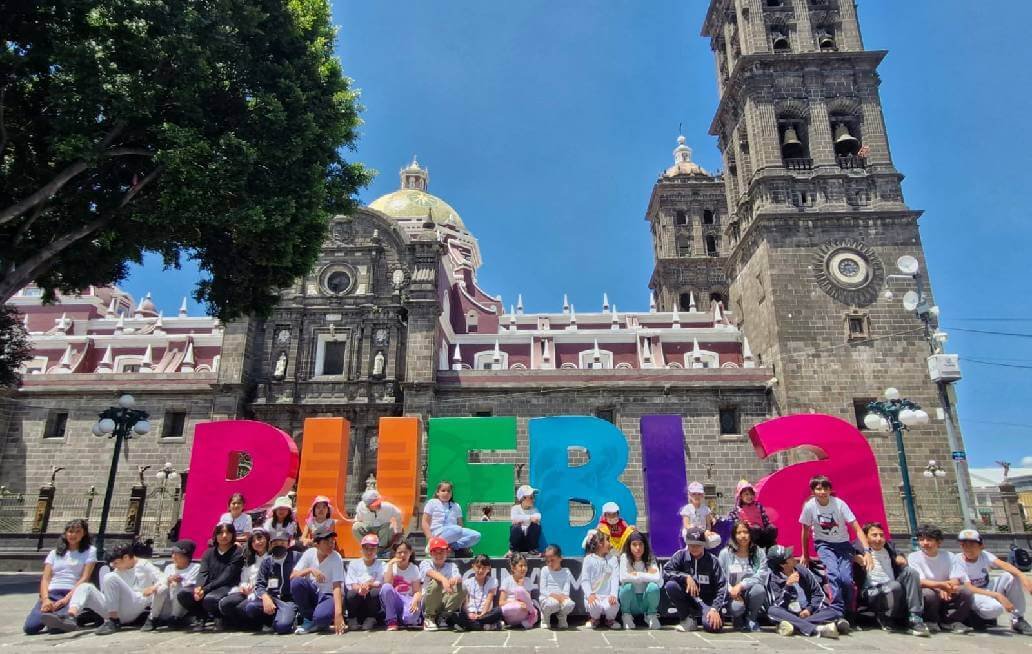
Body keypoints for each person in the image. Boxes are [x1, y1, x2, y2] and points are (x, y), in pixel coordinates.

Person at [44, 542, 161, 635]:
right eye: (112, 564)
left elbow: (164, 578)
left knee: (109, 577)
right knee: (86, 586)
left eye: (116, 563)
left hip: (134, 604)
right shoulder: (117, 570)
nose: (114, 566)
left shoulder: (144, 565)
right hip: (113, 608)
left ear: (126, 557)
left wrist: (153, 587)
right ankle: (71, 616)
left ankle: (114, 622)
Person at [798, 474, 871, 620]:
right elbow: (805, 532)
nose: (822, 492)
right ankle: (838, 610)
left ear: (830, 490)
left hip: (843, 545)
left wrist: (867, 551)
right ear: (813, 491)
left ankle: (849, 609)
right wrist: (805, 554)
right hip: (824, 544)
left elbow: (856, 527)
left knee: (846, 579)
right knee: (834, 575)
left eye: (825, 488)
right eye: (818, 489)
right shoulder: (810, 506)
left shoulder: (839, 504)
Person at [851, 522, 929, 637]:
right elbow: (844, 553)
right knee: (894, 586)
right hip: (871, 591)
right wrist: (854, 557)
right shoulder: (858, 548)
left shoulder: (889, 547)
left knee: (911, 573)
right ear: (866, 537)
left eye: (881, 535)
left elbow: (899, 555)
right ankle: (886, 617)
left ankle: (915, 617)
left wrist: (901, 557)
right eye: (874, 535)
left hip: (892, 586)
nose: (879, 539)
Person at [24, 519, 97, 635]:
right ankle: (55, 615)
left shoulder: (90, 551)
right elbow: (45, 579)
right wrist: (45, 599)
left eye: (78, 532)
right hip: (52, 593)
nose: (73, 535)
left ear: (84, 534)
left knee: (56, 629)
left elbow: (85, 578)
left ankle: (76, 615)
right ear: (65, 533)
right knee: (30, 628)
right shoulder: (54, 553)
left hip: (72, 593)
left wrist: (65, 599)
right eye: (70, 531)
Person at [757, 545, 845, 638]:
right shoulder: (773, 579)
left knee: (834, 611)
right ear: (783, 564)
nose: (794, 557)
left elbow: (818, 594)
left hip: (808, 612)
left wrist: (809, 609)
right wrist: (788, 586)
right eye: (790, 557)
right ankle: (816, 629)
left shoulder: (802, 570)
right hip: (788, 614)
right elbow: (778, 605)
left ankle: (795, 626)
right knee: (772, 611)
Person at [956, 528, 1032, 635]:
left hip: (986, 588)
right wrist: (997, 595)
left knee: (1010, 577)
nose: (968, 548)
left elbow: (1004, 565)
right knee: (995, 609)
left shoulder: (984, 555)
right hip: (973, 594)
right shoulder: (957, 560)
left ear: (981, 546)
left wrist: (1022, 576)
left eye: (972, 544)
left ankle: (1018, 619)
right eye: (964, 545)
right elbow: (969, 588)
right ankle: (975, 615)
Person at [906, 524, 974, 633]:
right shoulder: (913, 557)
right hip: (929, 590)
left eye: (929, 540)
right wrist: (940, 586)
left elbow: (955, 579)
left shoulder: (949, 556)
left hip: (947, 590)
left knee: (966, 592)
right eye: (921, 539)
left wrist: (945, 587)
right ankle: (931, 621)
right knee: (928, 594)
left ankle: (951, 622)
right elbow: (920, 581)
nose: (925, 543)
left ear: (939, 542)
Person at [177, 522, 244, 631]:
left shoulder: (237, 552)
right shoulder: (208, 553)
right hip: (207, 585)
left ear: (233, 535)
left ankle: (220, 618)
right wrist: (199, 587)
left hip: (226, 586)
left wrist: (205, 589)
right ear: (215, 535)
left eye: (228, 533)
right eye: (221, 533)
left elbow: (226, 576)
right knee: (184, 594)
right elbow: (203, 572)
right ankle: (200, 616)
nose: (224, 536)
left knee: (210, 599)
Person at [662, 527, 726, 633]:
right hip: (688, 599)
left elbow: (722, 586)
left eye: (698, 545)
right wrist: (685, 577)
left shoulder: (713, 561)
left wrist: (715, 608)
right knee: (671, 585)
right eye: (691, 545)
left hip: (707, 601)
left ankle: (713, 615)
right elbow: (666, 571)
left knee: (713, 627)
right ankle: (687, 619)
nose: (694, 548)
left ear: (704, 544)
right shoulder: (680, 556)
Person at [290, 525, 346, 634]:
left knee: (321, 618)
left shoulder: (336, 557)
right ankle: (309, 619)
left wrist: (338, 614)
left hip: (328, 595)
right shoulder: (309, 553)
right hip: (313, 592)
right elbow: (293, 576)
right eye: (326, 542)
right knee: (297, 583)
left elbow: (337, 586)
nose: (331, 544)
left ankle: (319, 620)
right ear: (317, 543)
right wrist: (310, 570)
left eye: (332, 541)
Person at [244, 528, 301, 635]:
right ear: (270, 545)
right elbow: (260, 584)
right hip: (272, 598)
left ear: (288, 544)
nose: (279, 545)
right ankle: (270, 620)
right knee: (250, 607)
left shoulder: (296, 557)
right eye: (275, 543)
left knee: (282, 627)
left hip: (289, 600)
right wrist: (265, 597)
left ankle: (287, 618)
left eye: (282, 542)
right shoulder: (267, 561)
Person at [717, 521, 766, 632]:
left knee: (759, 590)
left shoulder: (759, 553)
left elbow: (762, 575)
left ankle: (751, 619)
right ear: (734, 536)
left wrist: (742, 585)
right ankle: (737, 618)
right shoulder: (725, 553)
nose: (743, 536)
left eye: (746, 532)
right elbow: (720, 576)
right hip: (732, 593)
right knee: (737, 608)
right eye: (739, 533)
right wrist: (732, 590)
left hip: (751, 591)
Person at [143, 539, 200, 631]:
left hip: (182, 608)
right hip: (168, 604)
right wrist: (167, 581)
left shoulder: (195, 568)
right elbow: (162, 583)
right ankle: (153, 617)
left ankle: (175, 618)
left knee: (179, 587)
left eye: (178, 554)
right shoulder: (169, 568)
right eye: (173, 554)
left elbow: (191, 587)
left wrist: (180, 581)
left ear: (187, 556)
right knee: (162, 587)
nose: (174, 557)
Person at [219, 527, 269, 629]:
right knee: (226, 603)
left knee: (243, 607)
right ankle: (240, 624)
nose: (257, 542)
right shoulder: (249, 560)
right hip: (248, 591)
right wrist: (244, 587)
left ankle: (256, 623)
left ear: (267, 539)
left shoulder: (272, 558)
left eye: (260, 538)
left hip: (263, 592)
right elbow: (244, 579)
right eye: (253, 541)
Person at [422, 480, 481, 557]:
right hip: (438, 533)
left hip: (454, 533)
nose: (446, 493)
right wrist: (430, 538)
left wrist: (458, 536)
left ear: (451, 493)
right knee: (457, 530)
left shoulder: (456, 505)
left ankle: (452, 547)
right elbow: (425, 522)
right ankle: (433, 544)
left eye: (448, 491)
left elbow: (460, 524)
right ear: (437, 492)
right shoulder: (432, 502)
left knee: (476, 535)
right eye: (443, 491)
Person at [420, 536, 466, 631]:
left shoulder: (452, 566)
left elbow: (458, 577)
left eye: (441, 552)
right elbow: (429, 572)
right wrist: (444, 580)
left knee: (463, 587)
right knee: (436, 583)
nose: (438, 555)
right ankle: (429, 617)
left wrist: (455, 580)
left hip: (444, 599)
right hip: (428, 602)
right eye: (435, 552)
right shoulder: (425, 563)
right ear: (430, 553)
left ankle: (443, 616)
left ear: (447, 553)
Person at [618, 531, 662, 630]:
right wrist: (647, 574)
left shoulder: (650, 557)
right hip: (631, 601)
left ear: (645, 545)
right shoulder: (625, 557)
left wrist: (637, 574)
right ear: (629, 546)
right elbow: (623, 578)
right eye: (634, 545)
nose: (638, 548)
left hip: (645, 600)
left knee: (653, 587)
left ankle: (651, 615)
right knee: (626, 587)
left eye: (640, 544)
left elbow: (656, 578)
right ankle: (626, 616)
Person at [580, 529, 621, 629]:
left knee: (613, 605)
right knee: (594, 604)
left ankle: (610, 620)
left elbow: (615, 579)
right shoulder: (588, 559)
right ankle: (594, 619)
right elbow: (585, 580)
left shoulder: (613, 559)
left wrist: (613, 595)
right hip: (594, 595)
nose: (610, 544)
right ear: (600, 543)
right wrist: (589, 595)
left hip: (607, 596)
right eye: (608, 541)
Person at [345, 533, 386, 631]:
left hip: (372, 602)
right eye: (366, 548)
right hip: (358, 598)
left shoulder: (382, 565)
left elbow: (380, 583)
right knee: (351, 593)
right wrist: (360, 588)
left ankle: (371, 618)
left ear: (377, 549)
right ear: (362, 549)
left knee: (375, 592)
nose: (369, 551)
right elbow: (351, 583)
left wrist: (369, 585)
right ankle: (352, 618)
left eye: (372, 548)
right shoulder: (354, 564)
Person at [454, 553, 504, 631]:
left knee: (498, 611)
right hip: (470, 613)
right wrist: (469, 614)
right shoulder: (467, 582)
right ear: (473, 566)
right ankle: (485, 626)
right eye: (478, 567)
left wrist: (481, 615)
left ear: (489, 569)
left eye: (484, 568)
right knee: (456, 615)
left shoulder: (493, 581)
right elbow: (465, 603)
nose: (480, 570)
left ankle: (469, 626)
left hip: (485, 614)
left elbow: (489, 600)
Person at [381, 540, 423, 630]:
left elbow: (417, 591)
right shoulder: (389, 566)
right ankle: (391, 620)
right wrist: (391, 564)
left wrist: (415, 601)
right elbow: (387, 584)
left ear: (410, 553)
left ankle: (403, 618)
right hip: (394, 598)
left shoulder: (414, 568)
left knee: (410, 619)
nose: (402, 555)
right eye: (399, 552)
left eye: (405, 552)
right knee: (386, 587)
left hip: (408, 599)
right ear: (395, 553)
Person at [726, 480, 777, 548]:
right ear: (740, 496)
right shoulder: (737, 510)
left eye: (751, 494)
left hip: (761, 532)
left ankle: (770, 550)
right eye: (746, 494)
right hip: (748, 534)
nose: (750, 496)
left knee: (772, 529)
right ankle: (753, 550)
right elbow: (732, 523)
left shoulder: (758, 506)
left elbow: (765, 521)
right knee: (755, 529)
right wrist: (741, 523)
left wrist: (769, 527)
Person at [538, 545, 575, 630]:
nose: (550, 563)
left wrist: (562, 597)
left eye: (552, 560)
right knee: (552, 604)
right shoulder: (545, 570)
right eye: (547, 561)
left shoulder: (566, 572)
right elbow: (543, 590)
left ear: (560, 558)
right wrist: (556, 596)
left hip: (561, 598)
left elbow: (566, 592)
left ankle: (562, 617)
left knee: (570, 604)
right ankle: (545, 618)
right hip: (547, 598)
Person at [499, 552, 538, 628]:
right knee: (512, 606)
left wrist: (525, 604)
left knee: (522, 593)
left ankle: (527, 620)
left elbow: (528, 600)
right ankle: (533, 616)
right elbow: (501, 603)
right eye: (521, 566)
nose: (524, 568)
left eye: (525, 566)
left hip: (524, 611)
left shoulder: (528, 581)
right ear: (513, 568)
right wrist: (515, 602)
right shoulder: (507, 580)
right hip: (510, 611)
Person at [679, 482, 721, 549]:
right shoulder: (687, 508)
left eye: (699, 494)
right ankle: (693, 545)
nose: (697, 496)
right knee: (687, 535)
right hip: (691, 532)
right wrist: (696, 530)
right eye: (694, 494)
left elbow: (708, 525)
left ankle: (702, 544)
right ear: (689, 495)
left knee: (717, 538)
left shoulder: (706, 509)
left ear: (702, 495)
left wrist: (707, 531)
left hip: (703, 533)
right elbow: (686, 525)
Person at [509, 485, 542, 555]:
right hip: (517, 544)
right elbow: (514, 519)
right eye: (531, 497)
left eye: (534, 497)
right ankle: (513, 550)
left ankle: (532, 549)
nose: (534, 500)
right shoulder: (515, 508)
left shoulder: (535, 509)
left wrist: (522, 519)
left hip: (530, 543)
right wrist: (530, 518)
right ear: (523, 498)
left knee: (535, 526)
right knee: (516, 527)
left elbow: (537, 518)